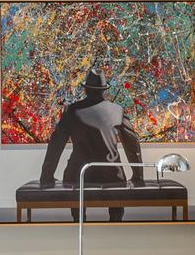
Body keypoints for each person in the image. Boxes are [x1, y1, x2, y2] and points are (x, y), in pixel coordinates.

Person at [37, 68, 146, 221]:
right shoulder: (117, 111)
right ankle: (116, 222)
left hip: (79, 175)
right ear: (104, 91)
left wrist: (46, 177)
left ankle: (78, 220)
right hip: (112, 175)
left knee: (73, 178)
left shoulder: (72, 111)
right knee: (117, 183)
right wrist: (138, 176)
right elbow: (132, 144)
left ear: (86, 89)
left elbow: (56, 144)